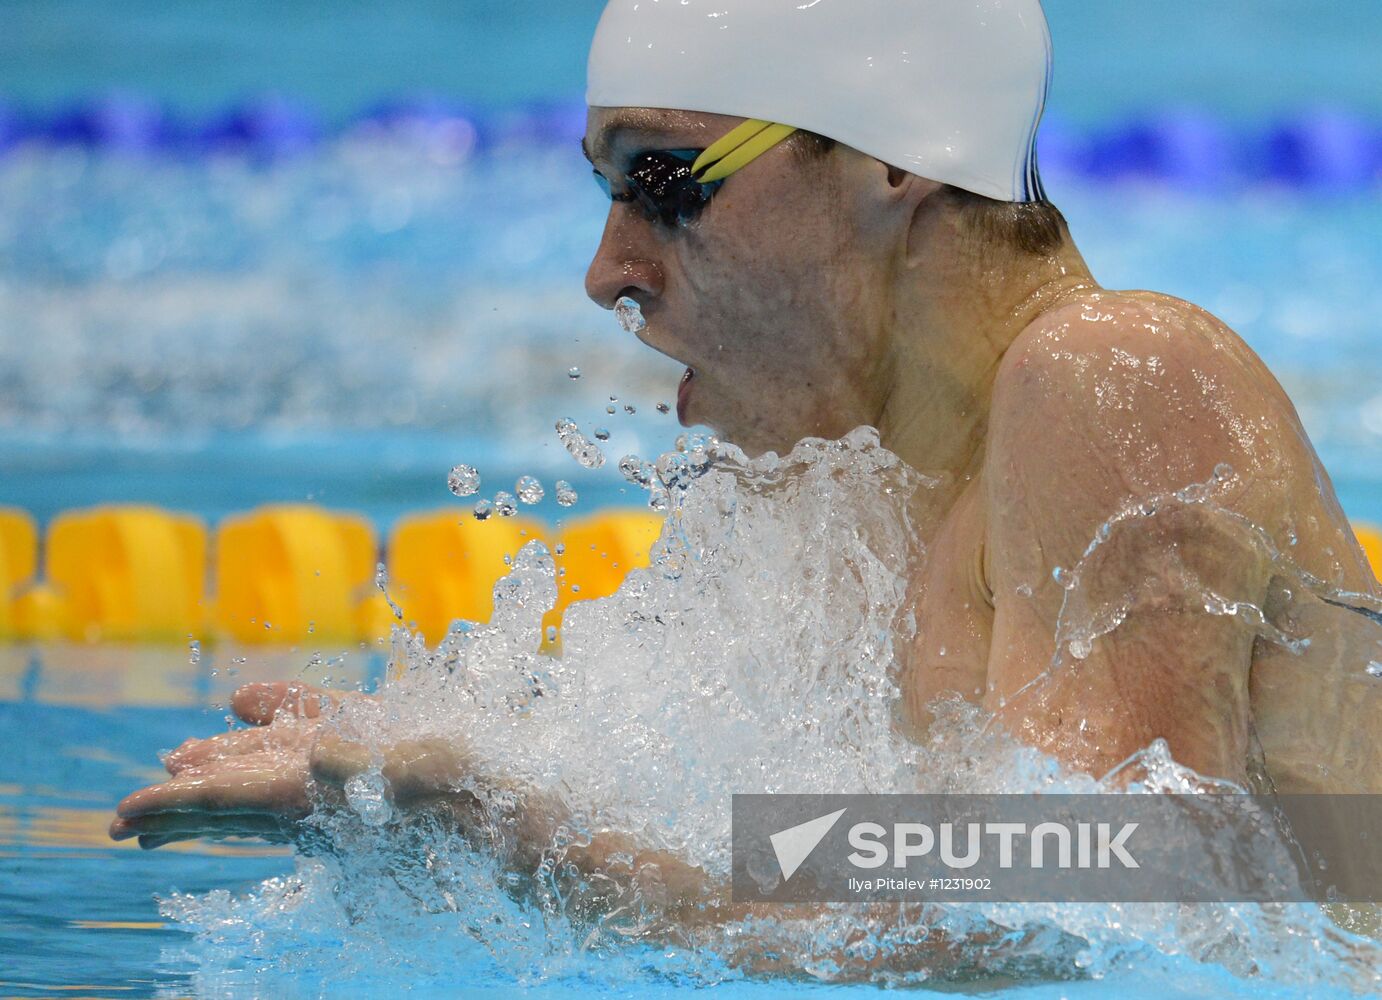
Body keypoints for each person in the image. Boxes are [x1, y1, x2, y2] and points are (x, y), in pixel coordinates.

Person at [110, 0, 1379, 924]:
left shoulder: (1112, 375)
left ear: (895, 161)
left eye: (660, 178)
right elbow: (870, 875)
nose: (605, 268)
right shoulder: (862, 492)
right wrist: (473, 772)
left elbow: (1120, 890)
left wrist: (541, 834)